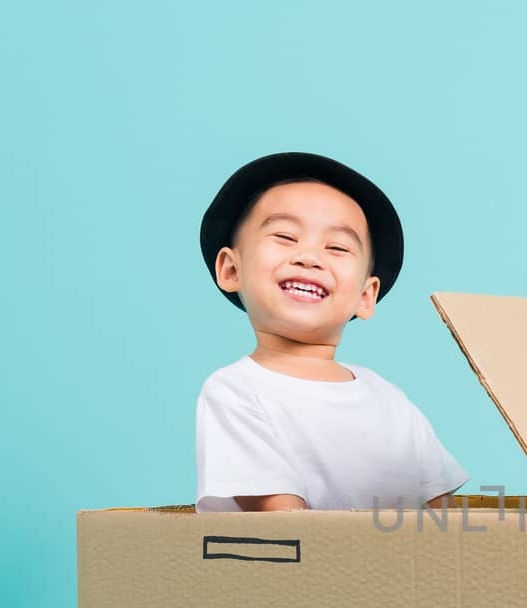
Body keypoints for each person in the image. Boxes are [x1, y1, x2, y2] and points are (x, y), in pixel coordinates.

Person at [194, 151, 468, 513]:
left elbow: (443, 521)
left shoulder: (389, 401)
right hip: (298, 568)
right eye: (286, 236)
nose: (309, 257)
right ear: (231, 270)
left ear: (366, 296)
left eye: (337, 247)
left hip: (391, 569)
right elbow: (286, 529)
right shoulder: (235, 392)